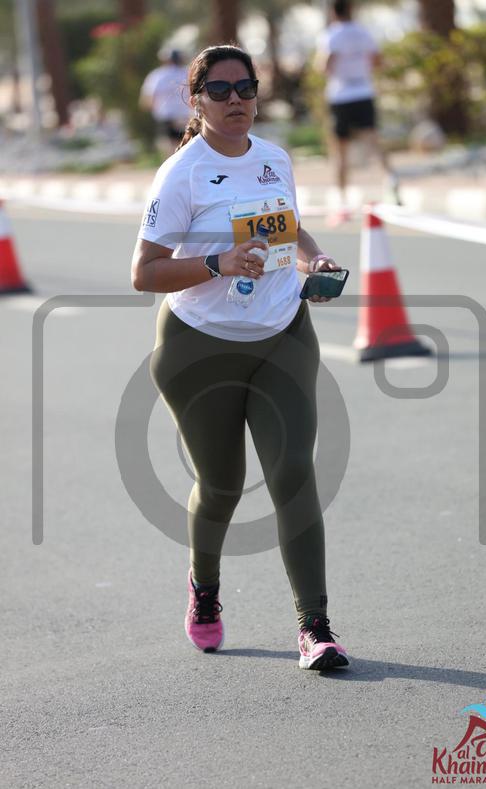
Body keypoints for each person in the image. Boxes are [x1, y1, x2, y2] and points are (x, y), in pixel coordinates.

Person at [131, 45, 350, 671]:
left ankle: (315, 627)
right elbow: (144, 273)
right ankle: (204, 588)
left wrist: (313, 258)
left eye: (246, 88)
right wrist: (218, 263)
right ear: (195, 100)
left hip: (283, 333)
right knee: (222, 485)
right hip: (199, 347)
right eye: (221, 90)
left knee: (293, 475)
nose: (236, 101)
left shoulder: (274, 158)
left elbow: (289, 227)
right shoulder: (182, 174)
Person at [317, 0, 400, 225]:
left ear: (333, 12)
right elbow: (378, 60)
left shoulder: (332, 35)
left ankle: (342, 203)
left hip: (341, 96)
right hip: (364, 92)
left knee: (340, 150)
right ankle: (391, 178)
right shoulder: (363, 32)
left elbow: (324, 65)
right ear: (351, 10)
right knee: (373, 139)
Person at [139, 49, 191, 152]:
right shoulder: (188, 72)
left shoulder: (157, 75)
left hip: (166, 117)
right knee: (188, 145)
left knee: (169, 147)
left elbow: (147, 99)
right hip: (187, 116)